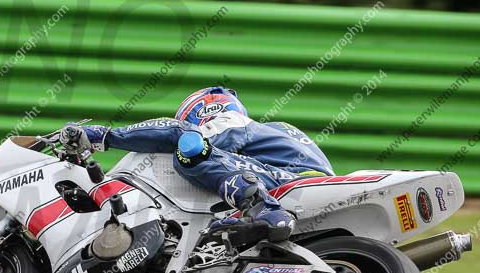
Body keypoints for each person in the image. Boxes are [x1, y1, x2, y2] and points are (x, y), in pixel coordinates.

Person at [65, 86, 334, 241]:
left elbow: (183, 135)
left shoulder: (235, 122)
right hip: (305, 186)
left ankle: (264, 210)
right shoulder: (275, 131)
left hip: (293, 184)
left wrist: (105, 136)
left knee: (190, 151)